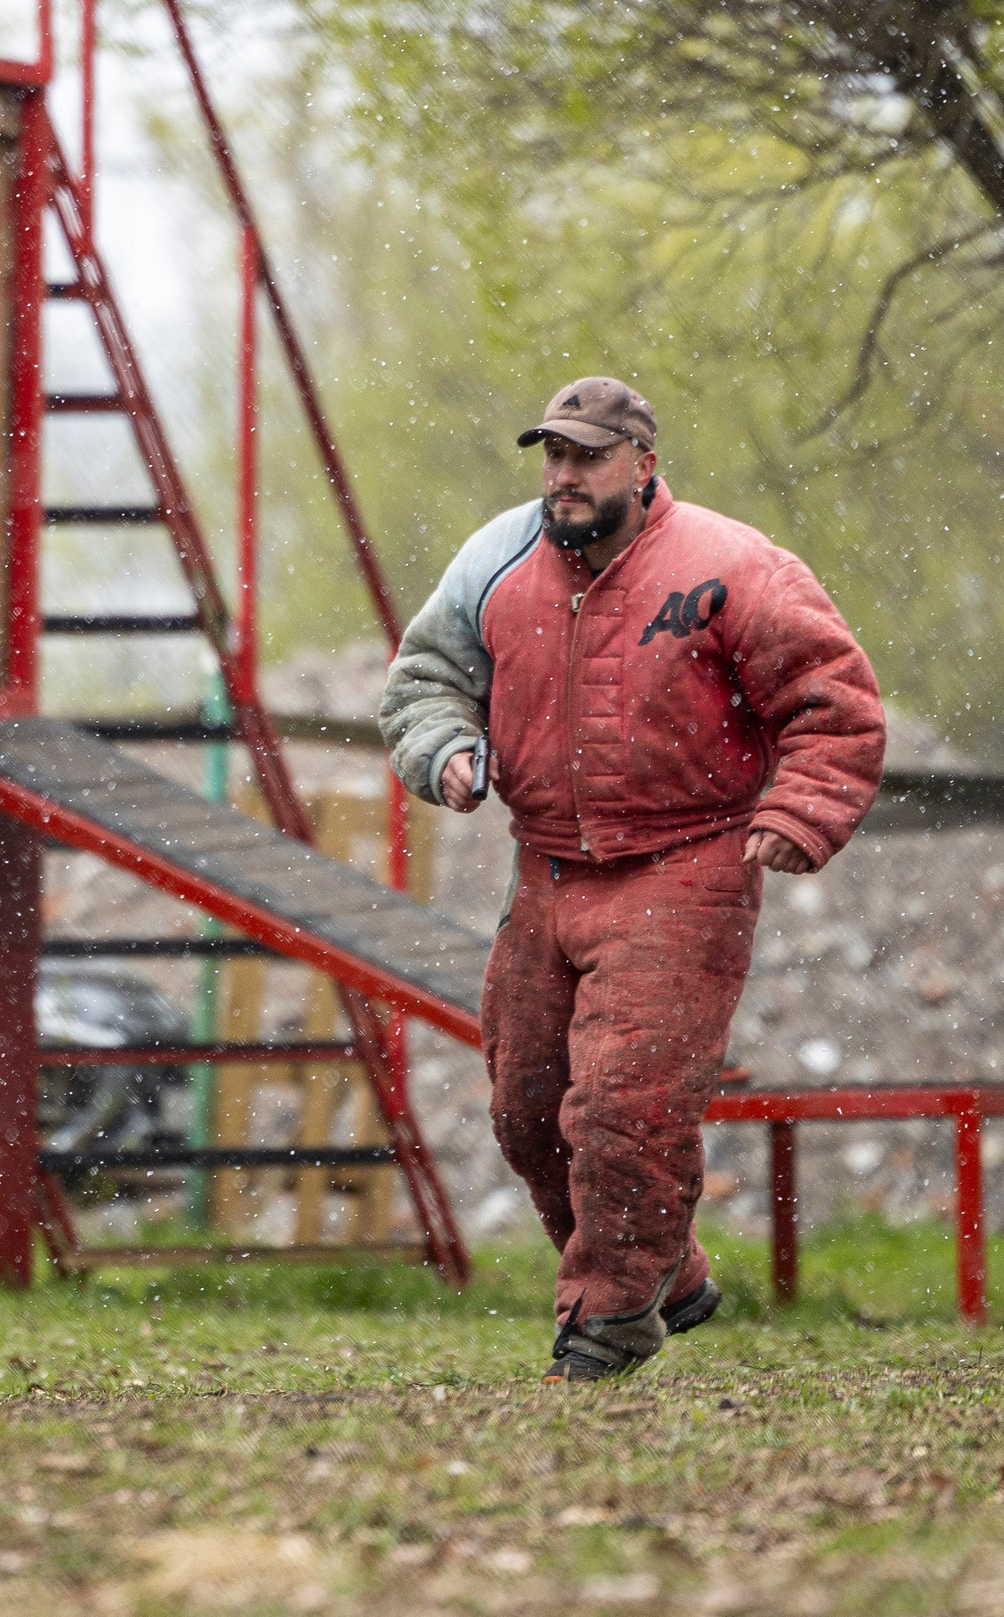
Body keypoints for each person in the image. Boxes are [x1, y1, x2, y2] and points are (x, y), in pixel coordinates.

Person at [380, 376, 886, 1381]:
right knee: (527, 1111)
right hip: (544, 866)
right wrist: (443, 751)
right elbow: (425, 681)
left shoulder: (733, 566)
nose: (563, 476)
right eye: (553, 455)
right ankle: (672, 1272)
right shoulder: (496, 559)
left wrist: (801, 812)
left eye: (588, 456)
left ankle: (606, 1321)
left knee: (622, 1110)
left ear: (643, 465)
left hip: (684, 864)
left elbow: (835, 703)